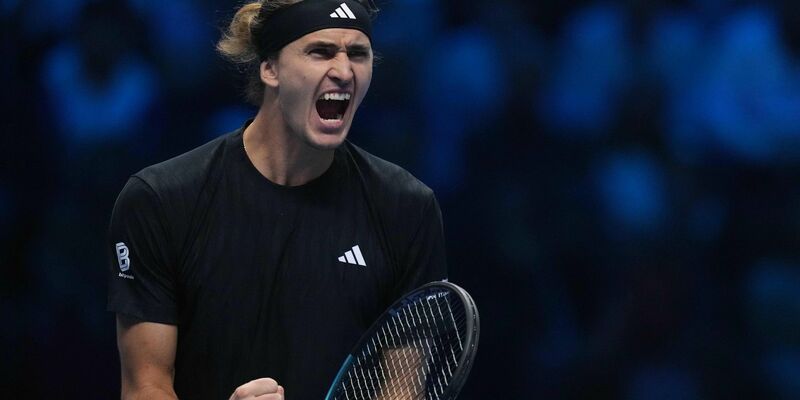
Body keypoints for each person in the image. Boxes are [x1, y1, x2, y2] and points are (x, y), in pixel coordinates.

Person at [106, 0, 448, 399]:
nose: (343, 71)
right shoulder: (161, 200)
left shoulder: (406, 209)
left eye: (358, 54)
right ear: (270, 68)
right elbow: (145, 387)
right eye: (320, 51)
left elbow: (402, 391)